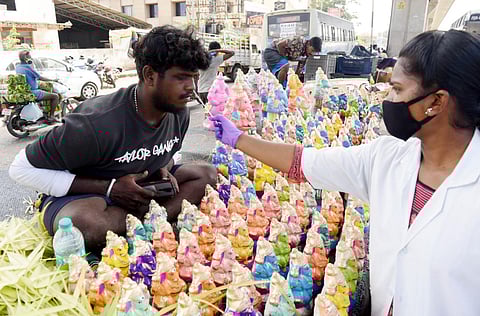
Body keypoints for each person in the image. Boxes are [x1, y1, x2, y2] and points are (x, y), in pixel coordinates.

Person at [211, 30, 480, 316]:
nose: (387, 98)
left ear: (436, 102)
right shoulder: (387, 158)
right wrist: (239, 139)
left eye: (398, 90)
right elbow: (304, 162)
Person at [9, 25, 217, 257]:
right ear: (149, 76)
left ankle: (148, 223)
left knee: (206, 175)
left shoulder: (178, 111)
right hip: (90, 198)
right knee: (85, 223)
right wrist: (110, 188)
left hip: (141, 192)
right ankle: (144, 222)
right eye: (181, 78)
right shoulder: (94, 123)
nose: (191, 87)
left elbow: (169, 153)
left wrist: (163, 167)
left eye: (193, 77)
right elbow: (20, 168)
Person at [16, 50, 60, 124]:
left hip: (25, 90)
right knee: (55, 96)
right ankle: (51, 116)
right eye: (30, 56)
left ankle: (43, 112)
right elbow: (40, 77)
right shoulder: (28, 67)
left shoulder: (18, 66)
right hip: (33, 92)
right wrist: (53, 80)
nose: (31, 57)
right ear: (27, 58)